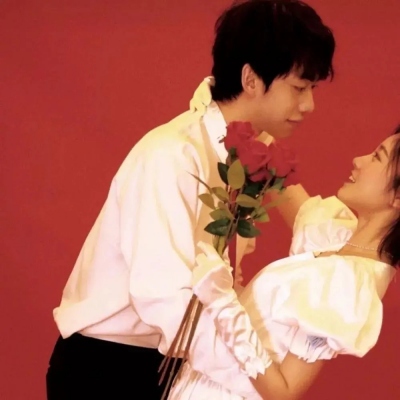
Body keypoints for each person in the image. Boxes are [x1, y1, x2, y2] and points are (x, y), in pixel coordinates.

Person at [46, 1, 335, 399]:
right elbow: (162, 296)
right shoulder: (173, 154)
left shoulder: (249, 149)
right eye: (300, 88)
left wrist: (366, 252)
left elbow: (310, 217)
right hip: (107, 368)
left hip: (174, 361)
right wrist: (257, 375)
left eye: (312, 89)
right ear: (251, 79)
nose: (308, 105)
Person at [168, 125, 400, 399]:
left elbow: (283, 392)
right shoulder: (342, 239)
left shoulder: (350, 283)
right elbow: (288, 193)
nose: (358, 161)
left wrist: (223, 302)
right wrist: (257, 133)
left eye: (377, 157)